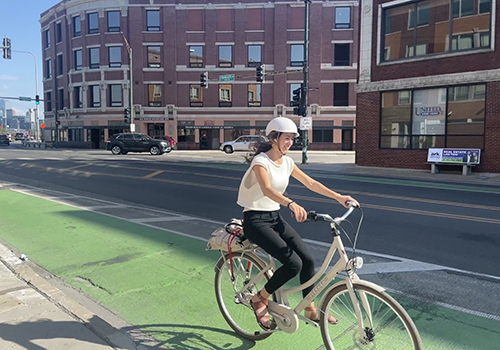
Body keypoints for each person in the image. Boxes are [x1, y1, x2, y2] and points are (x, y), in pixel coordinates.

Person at [237, 116, 359, 330]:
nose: (290, 142)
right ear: (274, 138)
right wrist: (290, 203)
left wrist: (338, 197)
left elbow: (311, 183)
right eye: (286, 138)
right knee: (293, 264)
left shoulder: (288, 162)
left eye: (293, 139)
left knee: (308, 260)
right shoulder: (261, 162)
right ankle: (260, 298)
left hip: (274, 217)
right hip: (255, 220)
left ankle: (310, 308)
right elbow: (267, 190)